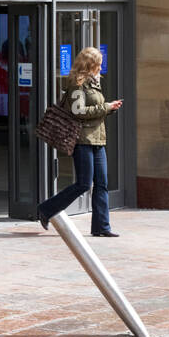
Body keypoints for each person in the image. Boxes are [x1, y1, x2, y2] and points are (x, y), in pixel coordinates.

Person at [37, 46, 123, 237]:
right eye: (98, 65)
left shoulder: (94, 83)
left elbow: (95, 109)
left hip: (98, 139)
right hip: (83, 140)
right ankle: (46, 209)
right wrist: (106, 107)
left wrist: (109, 108)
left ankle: (102, 227)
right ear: (89, 65)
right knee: (84, 184)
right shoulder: (77, 84)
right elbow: (78, 112)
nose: (101, 68)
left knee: (102, 183)